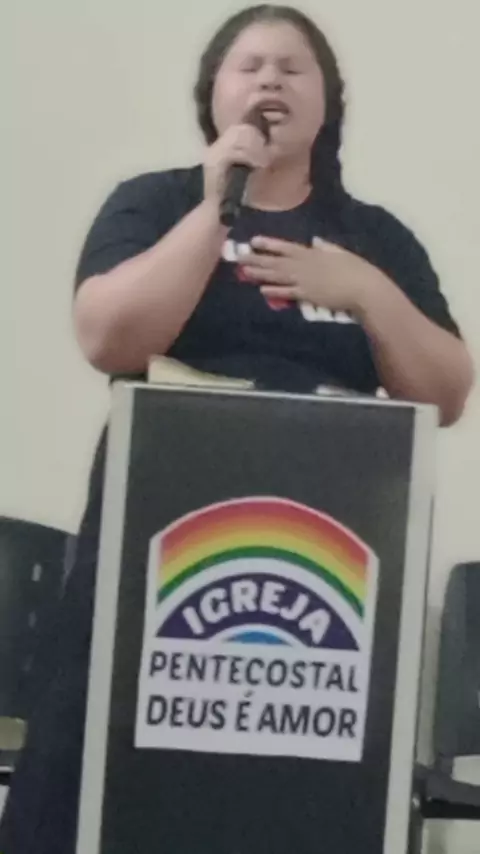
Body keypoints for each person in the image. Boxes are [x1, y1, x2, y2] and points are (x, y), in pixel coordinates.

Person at [0, 5, 473, 853]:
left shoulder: (373, 239)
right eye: (248, 66)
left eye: (293, 68)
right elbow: (108, 337)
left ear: (328, 101)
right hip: (154, 555)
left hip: (319, 579)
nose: (269, 81)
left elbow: (445, 392)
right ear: (212, 95)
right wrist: (217, 207)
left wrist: (365, 291)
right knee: (102, 771)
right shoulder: (156, 203)